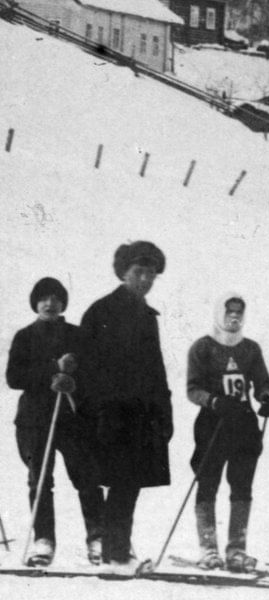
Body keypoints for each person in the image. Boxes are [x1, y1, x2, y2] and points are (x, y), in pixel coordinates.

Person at [77, 240, 175, 568]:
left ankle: (116, 550)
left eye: (150, 274)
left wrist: (165, 412)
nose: (145, 279)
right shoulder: (101, 311)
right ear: (124, 273)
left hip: (141, 416)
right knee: (119, 481)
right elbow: (86, 365)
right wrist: (97, 410)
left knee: (129, 483)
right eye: (138, 272)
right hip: (109, 414)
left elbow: (156, 369)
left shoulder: (148, 317)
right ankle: (114, 552)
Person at [7, 276, 101, 566]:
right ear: (35, 303)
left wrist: (74, 381)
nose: (50, 303)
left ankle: (98, 538)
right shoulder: (24, 336)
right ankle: (43, 540)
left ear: (63, 303)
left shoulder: (78, 334)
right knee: (39, 480)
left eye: (56, 298)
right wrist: (51, 373)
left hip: (72, 418)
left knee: (87, 478)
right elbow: (14, 377)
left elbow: (95, 372)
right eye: (44, 298)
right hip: (35, 420)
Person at [183, 292, 269, 571]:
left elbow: (262, 381)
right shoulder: (203, 347)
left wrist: (267, 397)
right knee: (208, 482)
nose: (234, 317)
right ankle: (208, 548)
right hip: (213, 423)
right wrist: (212, 401)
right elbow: (192, 388)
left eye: (239, 312)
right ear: (218, 314)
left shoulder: (250, 349)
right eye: (229, 312)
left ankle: (237, 549)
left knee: (242, 484)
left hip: (243, 423)